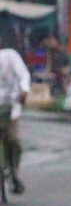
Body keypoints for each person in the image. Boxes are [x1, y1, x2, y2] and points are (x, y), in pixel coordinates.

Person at [0, 35, 31, 195]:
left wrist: (24, 90)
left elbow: (23, 75)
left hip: (10, 107)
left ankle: (14, 174)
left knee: (13, 140)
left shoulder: (10, 56)